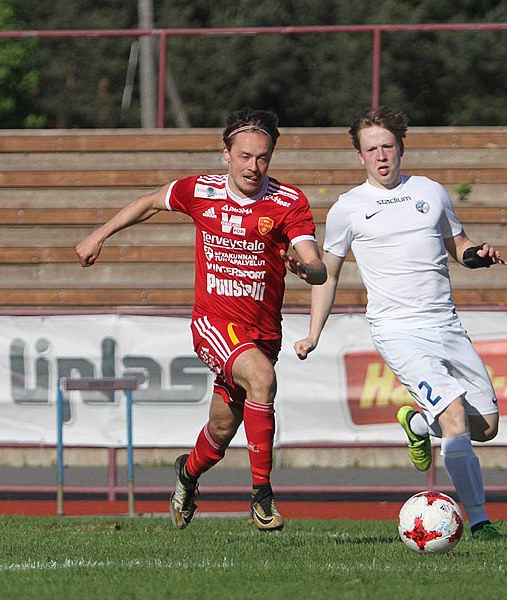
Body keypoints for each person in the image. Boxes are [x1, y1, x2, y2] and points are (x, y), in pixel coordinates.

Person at [76, 107, 327, 532]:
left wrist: (307, 269)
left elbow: (316, 264)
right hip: (213, 323)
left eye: (263, 158)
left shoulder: (288, 202)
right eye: (245, 156)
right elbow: (150, 202)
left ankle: (186, 476)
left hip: (263, 330)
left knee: (221, 431)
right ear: (225, 153)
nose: (254, 166)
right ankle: (261, 498)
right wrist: (98, 234)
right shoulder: (200, 190)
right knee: (262, 379)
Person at [294, 106, 507, 540]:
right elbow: (329, 272)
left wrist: (476, 255)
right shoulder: (348, 209)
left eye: (387, 145)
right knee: (453, 414)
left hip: (445, 324)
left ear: (401, 148)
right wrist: (314, 332)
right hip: (397, 330)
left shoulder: (431, 192)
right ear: (360, 157)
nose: (381, 155)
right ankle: (480, 520)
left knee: (485, 426)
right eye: (371, 149)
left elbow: (458, 244)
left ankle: (416, 422)